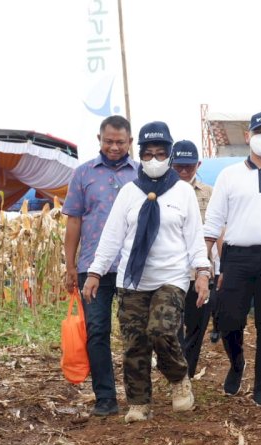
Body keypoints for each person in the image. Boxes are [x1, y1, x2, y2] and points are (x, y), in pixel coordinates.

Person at [82, 121, 211, 423]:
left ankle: (179, 379)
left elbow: (194, 237)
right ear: (140, 155)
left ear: (169, 155)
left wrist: (202, 272)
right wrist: (95, 272)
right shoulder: (129, 192)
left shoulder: (182, 193)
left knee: (162, 331)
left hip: (171, 277)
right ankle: (139, 402)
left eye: (161, 153)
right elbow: (112, 237)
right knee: (135, 341)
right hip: (133, 279)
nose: (154, 159)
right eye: (148, 153)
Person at [204, 111, 261, 407]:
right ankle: (237, 363)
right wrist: (207, 262)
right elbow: (214, 220)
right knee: (229, 319)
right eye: (257, 132)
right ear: (248, 137)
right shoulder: (229, 176)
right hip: (236, 256)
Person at [62, 115, 136, 417]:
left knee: (137, 332)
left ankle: (138, 394)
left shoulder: (142, 174)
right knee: (96, 330)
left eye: (120, 141)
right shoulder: (83, 174)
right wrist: (70, 265)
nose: (114, 147)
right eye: (109, 141)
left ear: (130, 142)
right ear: (99, 139)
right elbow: (74, 221)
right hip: (93, 269)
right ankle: (105, 396)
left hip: (133, 266)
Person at [170, 140, 215, 377]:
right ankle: (177, 372)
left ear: (198, 164)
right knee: (172, 326)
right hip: (172, 272)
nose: (184, 172)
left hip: (201, 273)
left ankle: (188, 370)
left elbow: (219, 231)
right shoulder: (162, 193)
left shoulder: (209, 193)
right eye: (179, 167)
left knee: (197, 325)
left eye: (189, 166)